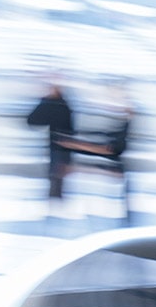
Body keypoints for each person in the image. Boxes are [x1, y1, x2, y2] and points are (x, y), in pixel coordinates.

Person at [57, 77, 137, 219]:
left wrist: (76, 146)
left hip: (112, 189)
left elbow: (112, 150)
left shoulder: (129, 123)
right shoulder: (118, 122)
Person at [25, 74, 76, 208]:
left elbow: (33, 120)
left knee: (57, 177)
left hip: (60, 149)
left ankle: (55, 206)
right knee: (56, 178)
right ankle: (55, 205)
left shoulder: (60, 105)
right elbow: (33, 120)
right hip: (58, 148)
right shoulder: (57, 104)